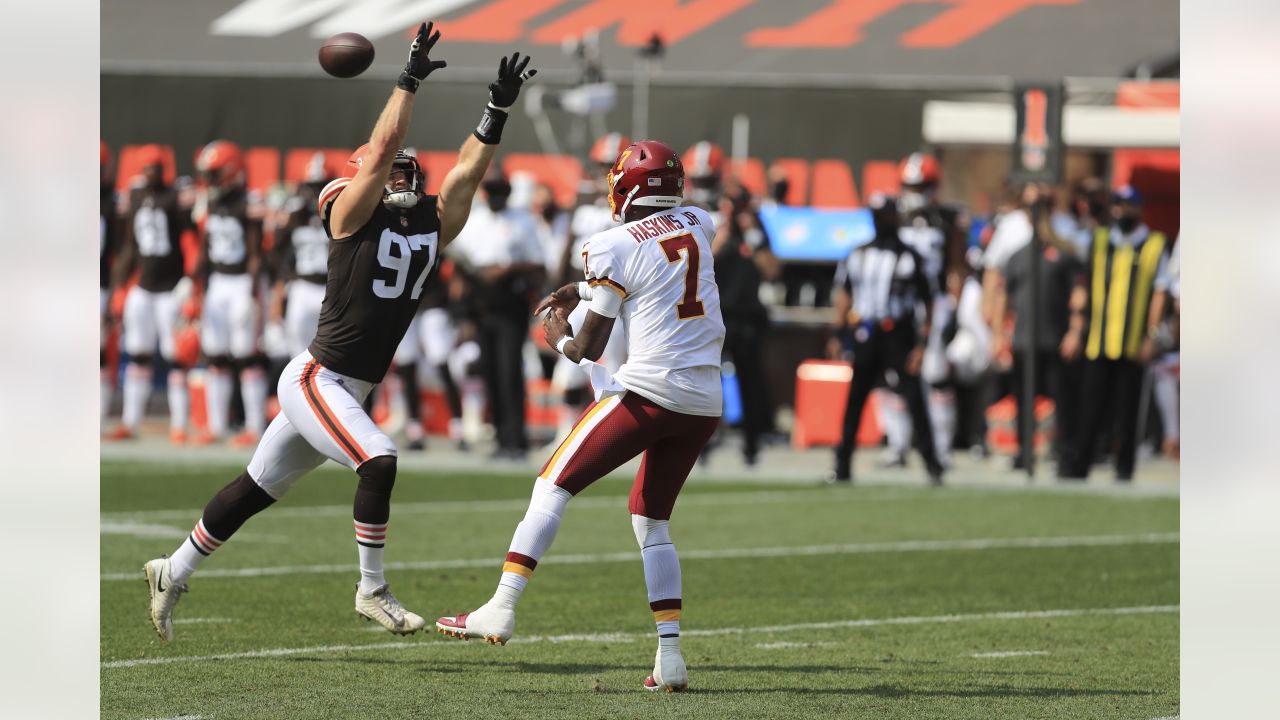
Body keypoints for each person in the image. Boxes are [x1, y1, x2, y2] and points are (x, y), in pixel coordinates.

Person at [143, 23, 537, 641]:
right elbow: (379, 155)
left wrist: (497, 109)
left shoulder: (431, 224)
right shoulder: (348, 212)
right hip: (317, 377)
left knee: (253, 489)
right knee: (379, 458)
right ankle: (371, 588)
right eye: (393, 173)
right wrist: (406, 82)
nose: (404, 178)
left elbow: (465, 172)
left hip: (349, 385)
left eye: (410, 173)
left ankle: (173, 568)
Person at [436, 140, 725, 694]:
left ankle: (501, 605)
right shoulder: (700, 221)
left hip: (650, 393)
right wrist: (587, 287)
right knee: (651, 521)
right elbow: (659, 269)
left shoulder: (610, 243)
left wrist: (556, 335)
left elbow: (589, 346)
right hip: (703, 400)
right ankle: (671, 658)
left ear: (627, 186)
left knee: (552, 485)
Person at [828, 194, 944, 485]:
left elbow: (928, 301)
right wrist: (837, 333)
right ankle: (842, 466)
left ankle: (932, 464)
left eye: (886, 216)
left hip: (899, 332)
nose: (882, 222)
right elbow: (844, 294)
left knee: (914, 396)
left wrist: (921, 343)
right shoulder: (857, 254)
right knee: (855, 399)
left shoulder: (909, 256)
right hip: (866, 331)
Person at [1058, 186, 1170, 481]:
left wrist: (1152, 336)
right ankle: (1080, 464)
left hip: (1132, 342)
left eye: (1126, 206)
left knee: (1128, 412)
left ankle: (1124, 468)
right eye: (1117, 206)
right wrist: (1075, 329)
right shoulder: (1100, 240)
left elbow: (1159, 294)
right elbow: (1082, 284)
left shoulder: (1154, 245)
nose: (1121, 212)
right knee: (1090, 407)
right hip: (1098, 339)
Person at [449, 169, 545, 459]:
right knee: (489, 371)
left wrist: (508, 269)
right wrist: (463, 311)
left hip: (510, 300)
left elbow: (538, 265)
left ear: (508, 193)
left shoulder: (522, 221)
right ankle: (501, 438)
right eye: (491, 192)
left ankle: (516, 439)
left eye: (500, 192)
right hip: (481, 302)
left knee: (510, 371)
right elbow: (461, 265)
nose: (495, 198)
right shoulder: (474, 221)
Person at [105, 145, 193, 444]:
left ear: (163, 168)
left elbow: (190, 241)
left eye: (155, 166)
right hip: (142, 286)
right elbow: (130, 244)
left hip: (170, 288)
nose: (151, 171)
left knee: (176, 357)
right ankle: (130, 422)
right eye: (147, 167)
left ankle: (180, 424)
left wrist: (191, 280)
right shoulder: (137, 196)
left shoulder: (174, 198)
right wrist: (120, 285)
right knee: (138, 354)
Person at [190, 140, 267, 447]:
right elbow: (206, 249)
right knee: (216, 357)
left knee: (246, 356)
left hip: (239, 284)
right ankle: (217, 425)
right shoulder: (211, 202)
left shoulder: (248, 202)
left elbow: (255, 253)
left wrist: (251, 292)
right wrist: (193, 282)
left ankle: (254, 426)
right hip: (218, 284)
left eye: (214, 173)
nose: (208, 180)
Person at [101, 140, 121, 424]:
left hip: (98, 284)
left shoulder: (111, 201)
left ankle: (99, 417)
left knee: (98, 350)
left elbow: (120, 249)